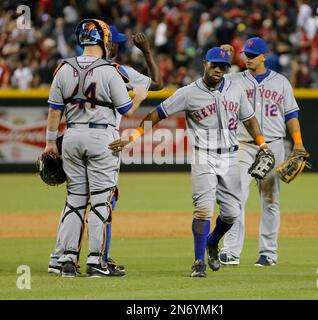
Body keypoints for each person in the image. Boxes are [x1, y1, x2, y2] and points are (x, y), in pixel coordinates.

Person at [109, 47, 273, 277]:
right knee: (203, 210)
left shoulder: (235, 89)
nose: (218, 69)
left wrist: (263, 145)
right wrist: (134, 136)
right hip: (203, 155)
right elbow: (157, 114)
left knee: (232, 214)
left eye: (223, 66)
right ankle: (198, 262)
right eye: (214, 64)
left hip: (230, 157)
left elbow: (250, 119)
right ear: (204, 63)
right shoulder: (188, 92)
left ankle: (212, 243)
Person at [47, 25, 163, 275]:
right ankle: (95, 261)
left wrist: (48, 142)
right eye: (113, 41)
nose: (116, 46)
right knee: (102, 201)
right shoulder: (112, 71)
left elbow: (54, 109)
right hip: (102, 136)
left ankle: (65, 260)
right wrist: (140, 97)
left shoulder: (63, 67)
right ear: (106, 42)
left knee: (75, 200)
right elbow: (127, 110)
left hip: (71, 134)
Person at [219, 37, 308, 266]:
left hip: (274, 144)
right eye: (245, 55)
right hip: (243, 145)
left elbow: (291, 116)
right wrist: (223, 58)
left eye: (252, 56)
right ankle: (230, 252)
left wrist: (298, 142)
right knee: (235, 197)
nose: (247, 59)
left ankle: (268, 254)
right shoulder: (233, 80)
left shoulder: (281, 82)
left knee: (270, 200)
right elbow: (212, 80)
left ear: (264, 57)